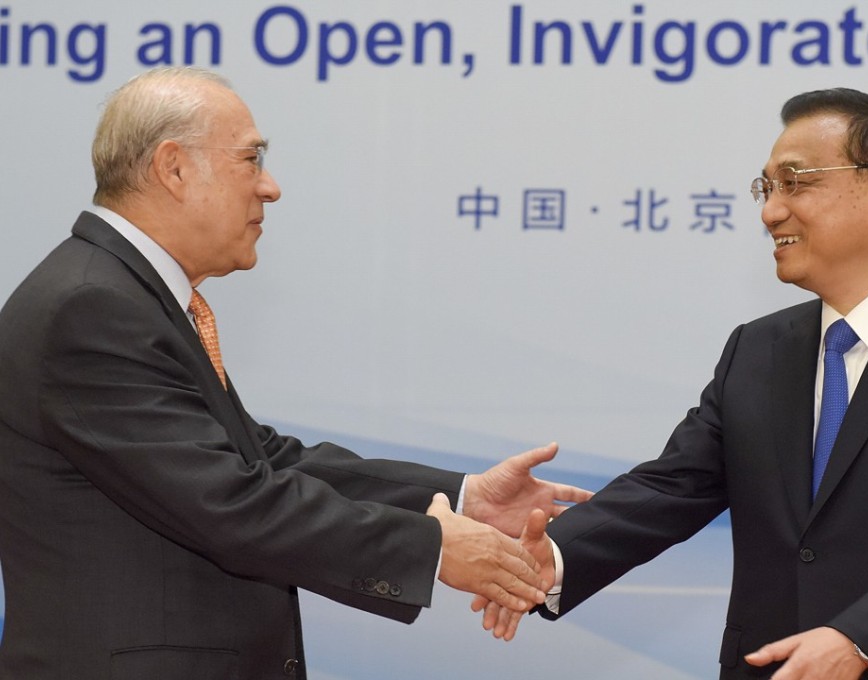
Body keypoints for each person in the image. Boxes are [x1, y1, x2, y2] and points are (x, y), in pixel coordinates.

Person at [0, 66, 590, 680]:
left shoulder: (122, 295)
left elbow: (264, 461)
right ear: (173, 168)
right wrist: (434, 546)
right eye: (250, 160)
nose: (271, 187)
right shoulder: (93, 308)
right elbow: (231, 502)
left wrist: (464, 500)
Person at [476, 88, 868, 679]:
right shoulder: (758, 349)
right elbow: (672, 486)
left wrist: (861, 638)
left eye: (795, 183)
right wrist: (552, 558)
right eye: (767, 188)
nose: (770, 212)